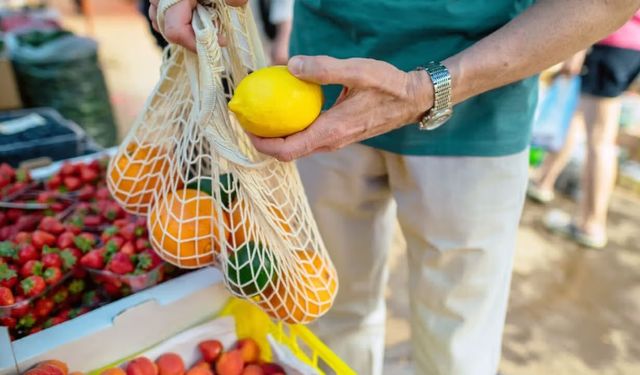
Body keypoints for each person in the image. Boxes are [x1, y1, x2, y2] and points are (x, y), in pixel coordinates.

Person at [149, 0, 640, 374]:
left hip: (482, 107)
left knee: (457, 340)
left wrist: (427, 90)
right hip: (312, 98)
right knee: (328, 312)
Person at [528, 12, 640, 249]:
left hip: (611, 43)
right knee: (578, 118)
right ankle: (543, 181)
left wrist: (576, 49)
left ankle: (591, 224)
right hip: (630, 46)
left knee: (600, 140)